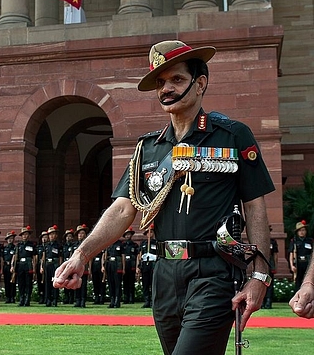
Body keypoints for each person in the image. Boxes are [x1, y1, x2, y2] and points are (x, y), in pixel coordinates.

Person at [53, 40, 274, 355]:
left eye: (177, 80)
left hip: (213, 272)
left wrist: (259, 276)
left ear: (200, 85)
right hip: (164, 276)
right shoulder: (149, 148)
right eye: (160, 82)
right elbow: (122, 209)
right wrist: (80, 255)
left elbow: (255, 209)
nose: (166, 89)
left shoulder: (232, 136)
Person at [11, 226, 36, 306]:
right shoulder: (18, 245)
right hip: (20, 265)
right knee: (21, 283)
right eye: (23, 234)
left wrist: (34, 267)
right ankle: (21, 299)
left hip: (28, 265)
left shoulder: (32, 245)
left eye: (26, 234)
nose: (25, 236)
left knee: (28, 283)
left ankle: (27, 299)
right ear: (21, 236)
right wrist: (12, 266)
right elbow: (14, 257)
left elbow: (34, 257)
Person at [137, 224, 157, 308]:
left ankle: (153, 301)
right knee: (145, 283)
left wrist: (154, 256)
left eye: (151, 232)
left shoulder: (156, 243)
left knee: (153, 283)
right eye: (148, 233)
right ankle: (146, 301)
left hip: (153, 264)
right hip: (145, 264)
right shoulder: (143, 243)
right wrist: (138, 266)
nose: (149, 234)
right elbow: (139, 255)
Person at [41, 225, 62, 307]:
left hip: (55, 264)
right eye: (50, 234)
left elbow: (60, 257)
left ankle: (55, 299)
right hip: (47, 264)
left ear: (56, 235)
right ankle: (48, 299)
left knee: (55, 282)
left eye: (53, 234)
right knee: (47, 283)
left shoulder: (58, 245)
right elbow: (43, 257)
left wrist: (60, 267)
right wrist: (42, 266)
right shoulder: (46, 245)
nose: (51, 236)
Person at [104, 232, 126, 308]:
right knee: (110, 283)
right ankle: (112, 300)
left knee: (117, 284)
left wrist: (123, 268)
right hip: (110, 264)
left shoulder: (120, 244)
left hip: (117, 264)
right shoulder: (108, 244)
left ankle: (117, 300)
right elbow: (105, 255)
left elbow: (123, 256)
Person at [289, 220, 311, 291]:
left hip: (308, 262)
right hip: (298, 263)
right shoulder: (294, 241)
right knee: (298, 282)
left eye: (303, 230)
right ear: (297, 232)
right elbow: (291, 254)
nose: (301, 232)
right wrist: (292, 265)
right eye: (300, 230)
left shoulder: (310, 241)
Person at [72, 224, 90, 308]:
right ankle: (77, 300)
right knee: (76, 283)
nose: (80, 235)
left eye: (82, 233)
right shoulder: (74, 245)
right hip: (75, 268)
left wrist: (89, 267)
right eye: (79, 234)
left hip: (84, 266)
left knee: (83, 285)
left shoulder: (87, 245)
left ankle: (83, 300)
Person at [262, 225, 278, 309]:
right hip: (262, 264)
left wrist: (275, 266)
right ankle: (262, 301)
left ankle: (268, 301)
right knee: (261, 283)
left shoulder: (273, 242)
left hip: (270, 264)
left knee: (270, 284)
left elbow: (275, 255)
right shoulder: (260, 241)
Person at [122, 227, 139, 304]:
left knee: (131, 282)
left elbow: (137, 256)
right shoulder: (123, 245)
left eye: (129, 234)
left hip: (132, 264)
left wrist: (136, 267)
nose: (128, 236)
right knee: (125, 282)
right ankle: (126, 297)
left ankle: (132, 297)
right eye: (126, 235)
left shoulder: (134, 245)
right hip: (125, 264)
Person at [62, 229, 76, 305]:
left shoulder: (74, 246)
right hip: (65, 265)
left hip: (72, 265)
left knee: (72, 281)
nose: (68, 238)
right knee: (65, 281)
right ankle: (66, 297)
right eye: (67, 236)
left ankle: (72, 297)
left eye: (70, 236)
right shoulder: (64, 246)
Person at [2, 230, 17, 303]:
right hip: (6, 266)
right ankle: (8, 297)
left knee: (13, 282)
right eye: (8, 238)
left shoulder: (15, 248)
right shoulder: (5, 248)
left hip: (13, 266)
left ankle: (12, 297)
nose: (10, 240)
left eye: (11, 238)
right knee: (6, 282)